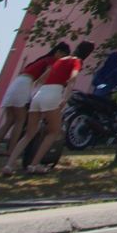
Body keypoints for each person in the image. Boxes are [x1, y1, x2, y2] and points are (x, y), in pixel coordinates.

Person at [8, 41, 94, 173]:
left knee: (29, 133)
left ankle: (9, 165)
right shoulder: (77, 62)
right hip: (53, 94)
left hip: (40, 94)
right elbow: (72, 79)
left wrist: (33, 94)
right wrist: (65, 98)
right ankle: (34, 164)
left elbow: (41, 79)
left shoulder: (61, 60)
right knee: (54, 131)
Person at [0, 45, 64, 157]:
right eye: (63, 55)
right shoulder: (51, 61)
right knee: (20, 119)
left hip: (16, 83)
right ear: (58, 52)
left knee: (9, 119)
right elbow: (43, 78)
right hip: (25, 85)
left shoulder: (40, 60)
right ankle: (12, 150)